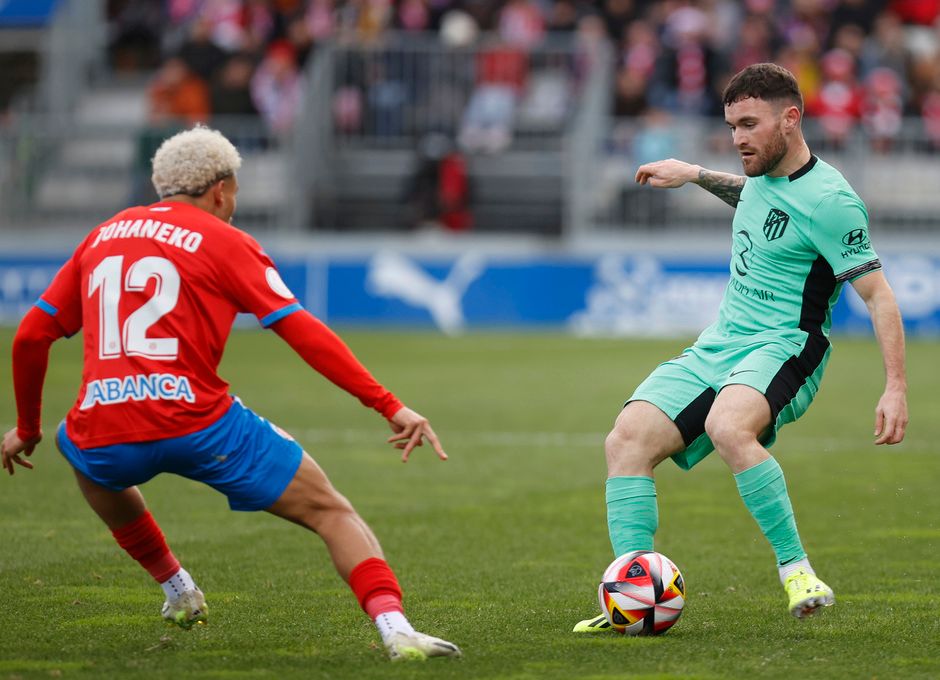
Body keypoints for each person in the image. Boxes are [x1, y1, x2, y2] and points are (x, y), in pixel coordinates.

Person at [1, 126, 461, 662]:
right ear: (219, 189)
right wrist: (388, 403)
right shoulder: (225, 240)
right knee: (332, 512)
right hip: (198, 423)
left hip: (106, 427)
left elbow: (32, 334)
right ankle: (395, 629)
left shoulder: (103, 235)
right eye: (235, 191)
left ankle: (176, 588)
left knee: (72, 443)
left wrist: (27, 429)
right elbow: (302, 330)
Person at [574, 62, 908, 632]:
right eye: (732, 126)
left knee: (730, 426)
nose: (738, 139)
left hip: (787, 345)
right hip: (722, 341)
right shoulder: (759, 176)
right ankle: (630, 596)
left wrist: (895, 387)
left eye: (750, 124)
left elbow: (877, 296)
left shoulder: (832, 200)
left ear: (791, 118)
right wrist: (694, 173)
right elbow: (757, 198)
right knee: (625, 439)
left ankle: (797, 571)